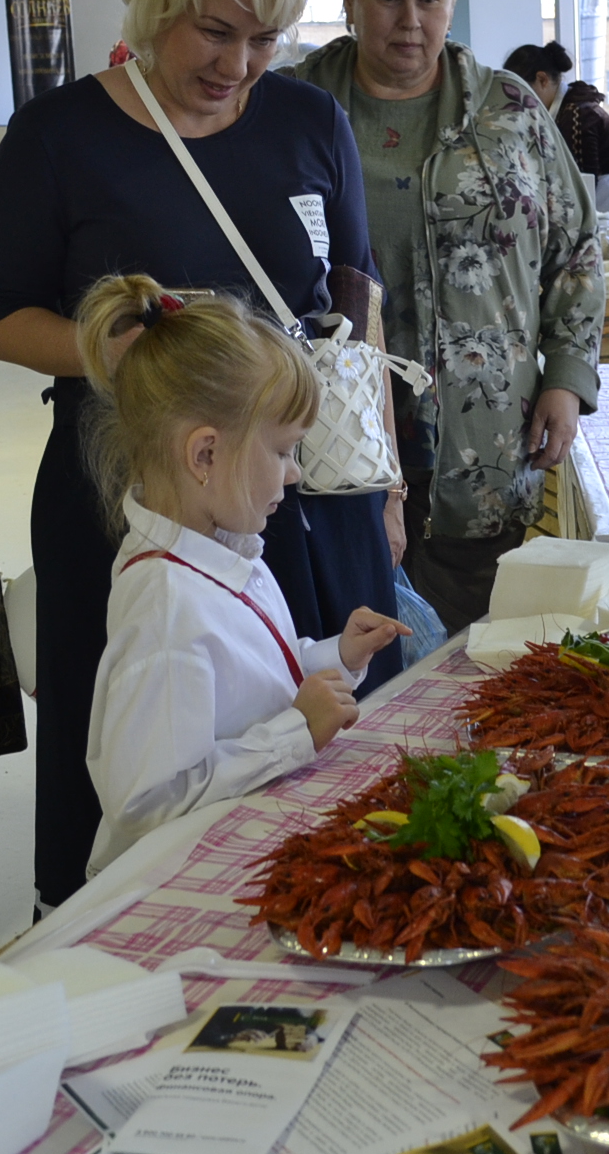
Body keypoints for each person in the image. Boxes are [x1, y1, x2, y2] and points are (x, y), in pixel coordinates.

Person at [0, 0, 400, 910]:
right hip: (133, 495)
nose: (238, 66)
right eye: (214, 32)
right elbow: (0, 318)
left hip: (298, 487)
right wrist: (113, 353)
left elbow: (357, 303)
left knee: (326, 734)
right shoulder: (60, 137)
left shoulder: (309, 122)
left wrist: (387, 479)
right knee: (145, 748)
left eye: (266, 39)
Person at [285, 0, 603, 633]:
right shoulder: (292, 109)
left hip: (484, 441)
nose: (410, 21)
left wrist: (567, 377)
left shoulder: (509, 110)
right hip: (327, 443)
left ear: (452, 2)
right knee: (348, 652)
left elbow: (577, 248)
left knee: (473, 653)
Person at [74, 278, 407, 877]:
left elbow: (254, 680)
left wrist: (335, 657)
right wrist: (296, 733)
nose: (294, 473)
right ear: (204, 455)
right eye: (281, 452)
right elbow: (147, 806)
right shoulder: (166, 608)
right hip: (175, 886)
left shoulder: (224, 551)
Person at [503, 40, 609, 225]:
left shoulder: (577, 115)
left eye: (520, 93)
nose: (519, 103)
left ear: (542, 80)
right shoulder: (566, 109)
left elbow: (582, 185)